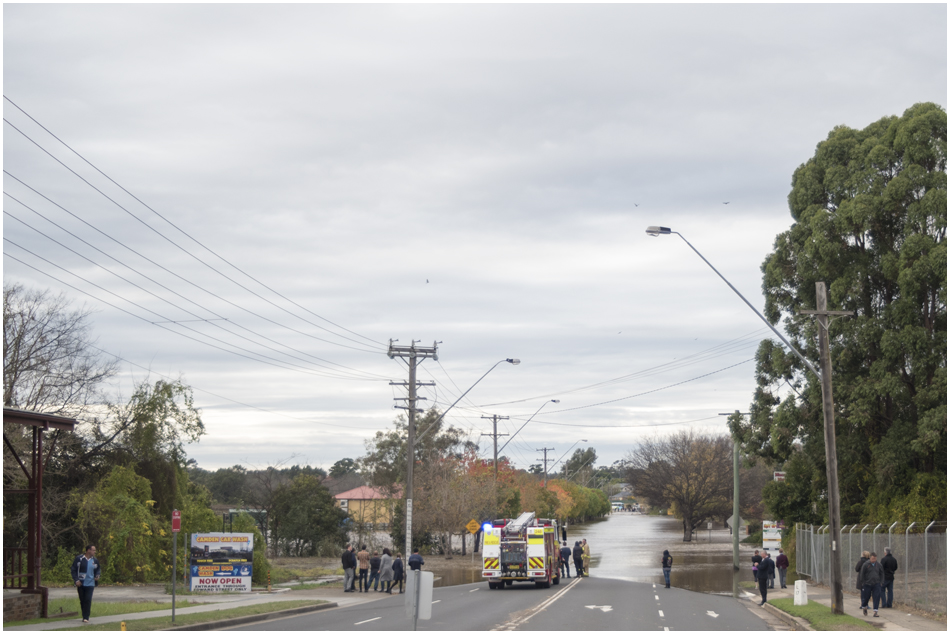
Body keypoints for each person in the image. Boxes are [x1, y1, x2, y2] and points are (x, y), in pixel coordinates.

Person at [71, 545, 100, 624]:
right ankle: (84, 615)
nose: (95, 552)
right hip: (81, 583)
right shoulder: (79, 559)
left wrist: (97, 576)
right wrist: (76, 580)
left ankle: (86, 617)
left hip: (90, 583)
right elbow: (73, 570)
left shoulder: (95, 560)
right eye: (93, 550)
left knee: (88, 599)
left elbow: (98, 569)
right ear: (88, 550)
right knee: (82, 600)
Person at [859, 552, 885, 617]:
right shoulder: (866, 565)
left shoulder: (879, 565)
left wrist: (881, 582)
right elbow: (862, 574)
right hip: (867, 584)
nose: (874, 560)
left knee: (876, 597)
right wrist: (863, 582)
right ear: (870, 558)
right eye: (873, 558)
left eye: (875, 559)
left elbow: (882, 574)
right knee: (866, 597)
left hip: (876, 584)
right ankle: (864, 606)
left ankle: (875, 611)